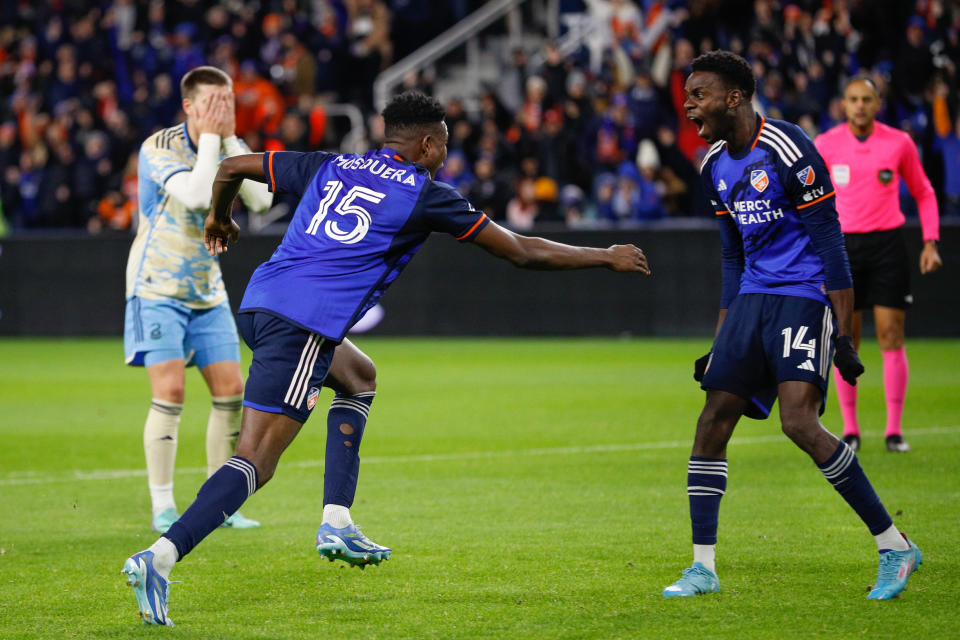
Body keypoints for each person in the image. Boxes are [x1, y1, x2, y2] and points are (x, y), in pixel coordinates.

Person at [121, 90, 651, 626]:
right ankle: (159, 559)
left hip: (260, 304)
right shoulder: (426, 194)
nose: (445, 156)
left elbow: (232, 165)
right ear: (426, 144)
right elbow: (520, 250)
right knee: (256, 459)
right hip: (305, 324)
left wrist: (220, 219)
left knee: (359, 377)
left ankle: (337, 519)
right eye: (443, 146)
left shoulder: (330, 164)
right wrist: (604, 256)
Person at [662, 51, 921, 600]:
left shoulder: (788, 147)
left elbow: (831, 242)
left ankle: (894, 545)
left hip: (803, 297)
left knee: (798, 423)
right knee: (712, 421)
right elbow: (732, 256)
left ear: (735, 97)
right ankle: (702, 567)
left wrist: (845, 335)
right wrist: (720, 339)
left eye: (698, 94)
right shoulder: (711, 164)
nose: (689, 106)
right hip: (752, 299)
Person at [124, 66, 272, 533]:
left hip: (207, 288)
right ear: (189, 105)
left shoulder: (226, 142)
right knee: (169, 392)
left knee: (231, 392)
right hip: (157, 286)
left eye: (228, 101)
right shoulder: (159, 146)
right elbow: (192, 194)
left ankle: (218, 504)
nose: (222, 110)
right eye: (213, 102)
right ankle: (163, 506)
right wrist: (213, 138)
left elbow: (263, 201)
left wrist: (228, 140)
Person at [815, 76, 943, 453]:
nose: (859, 105)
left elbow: (924, 191)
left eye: (866, 99)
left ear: (877, 103)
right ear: (843, 103)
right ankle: (851, 430)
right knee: (846, 339)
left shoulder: (899, 142)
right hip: (843, 247)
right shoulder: (826, 143)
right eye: (853, 99)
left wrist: (931, 242)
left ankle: (893, 430)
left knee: (890, 334)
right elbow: (811, 199)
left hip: (888, 243)